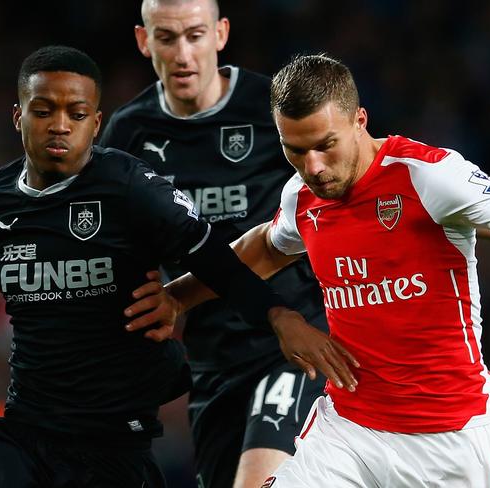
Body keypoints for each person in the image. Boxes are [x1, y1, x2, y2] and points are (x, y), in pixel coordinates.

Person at [128, 54, 490, 487]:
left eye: (324, 145)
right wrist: (177, 297)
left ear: (360, 120)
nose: (312, 166)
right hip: (350, 429)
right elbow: (265, 248)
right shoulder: (303, 195)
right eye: (294, 150)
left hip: (452, 441)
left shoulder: (428, 175)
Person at [0, 46, 357, 488]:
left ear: (95, 122)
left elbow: (214, 260)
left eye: (76, 113)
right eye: (43, 110)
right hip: (26, 429)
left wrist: (278, 315)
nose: (59, 125)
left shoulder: (131, 186)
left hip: (113, 438)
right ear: (18, 116)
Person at [98, 1, 334, 486]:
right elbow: (119, 253)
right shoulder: (128, 134)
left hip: (293, 339)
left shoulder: (272, 107)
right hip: (211, 360)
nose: (183, 54)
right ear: (145, 41)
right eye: (167, 39)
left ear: (221, 34)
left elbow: (339, 179)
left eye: (195, 35)